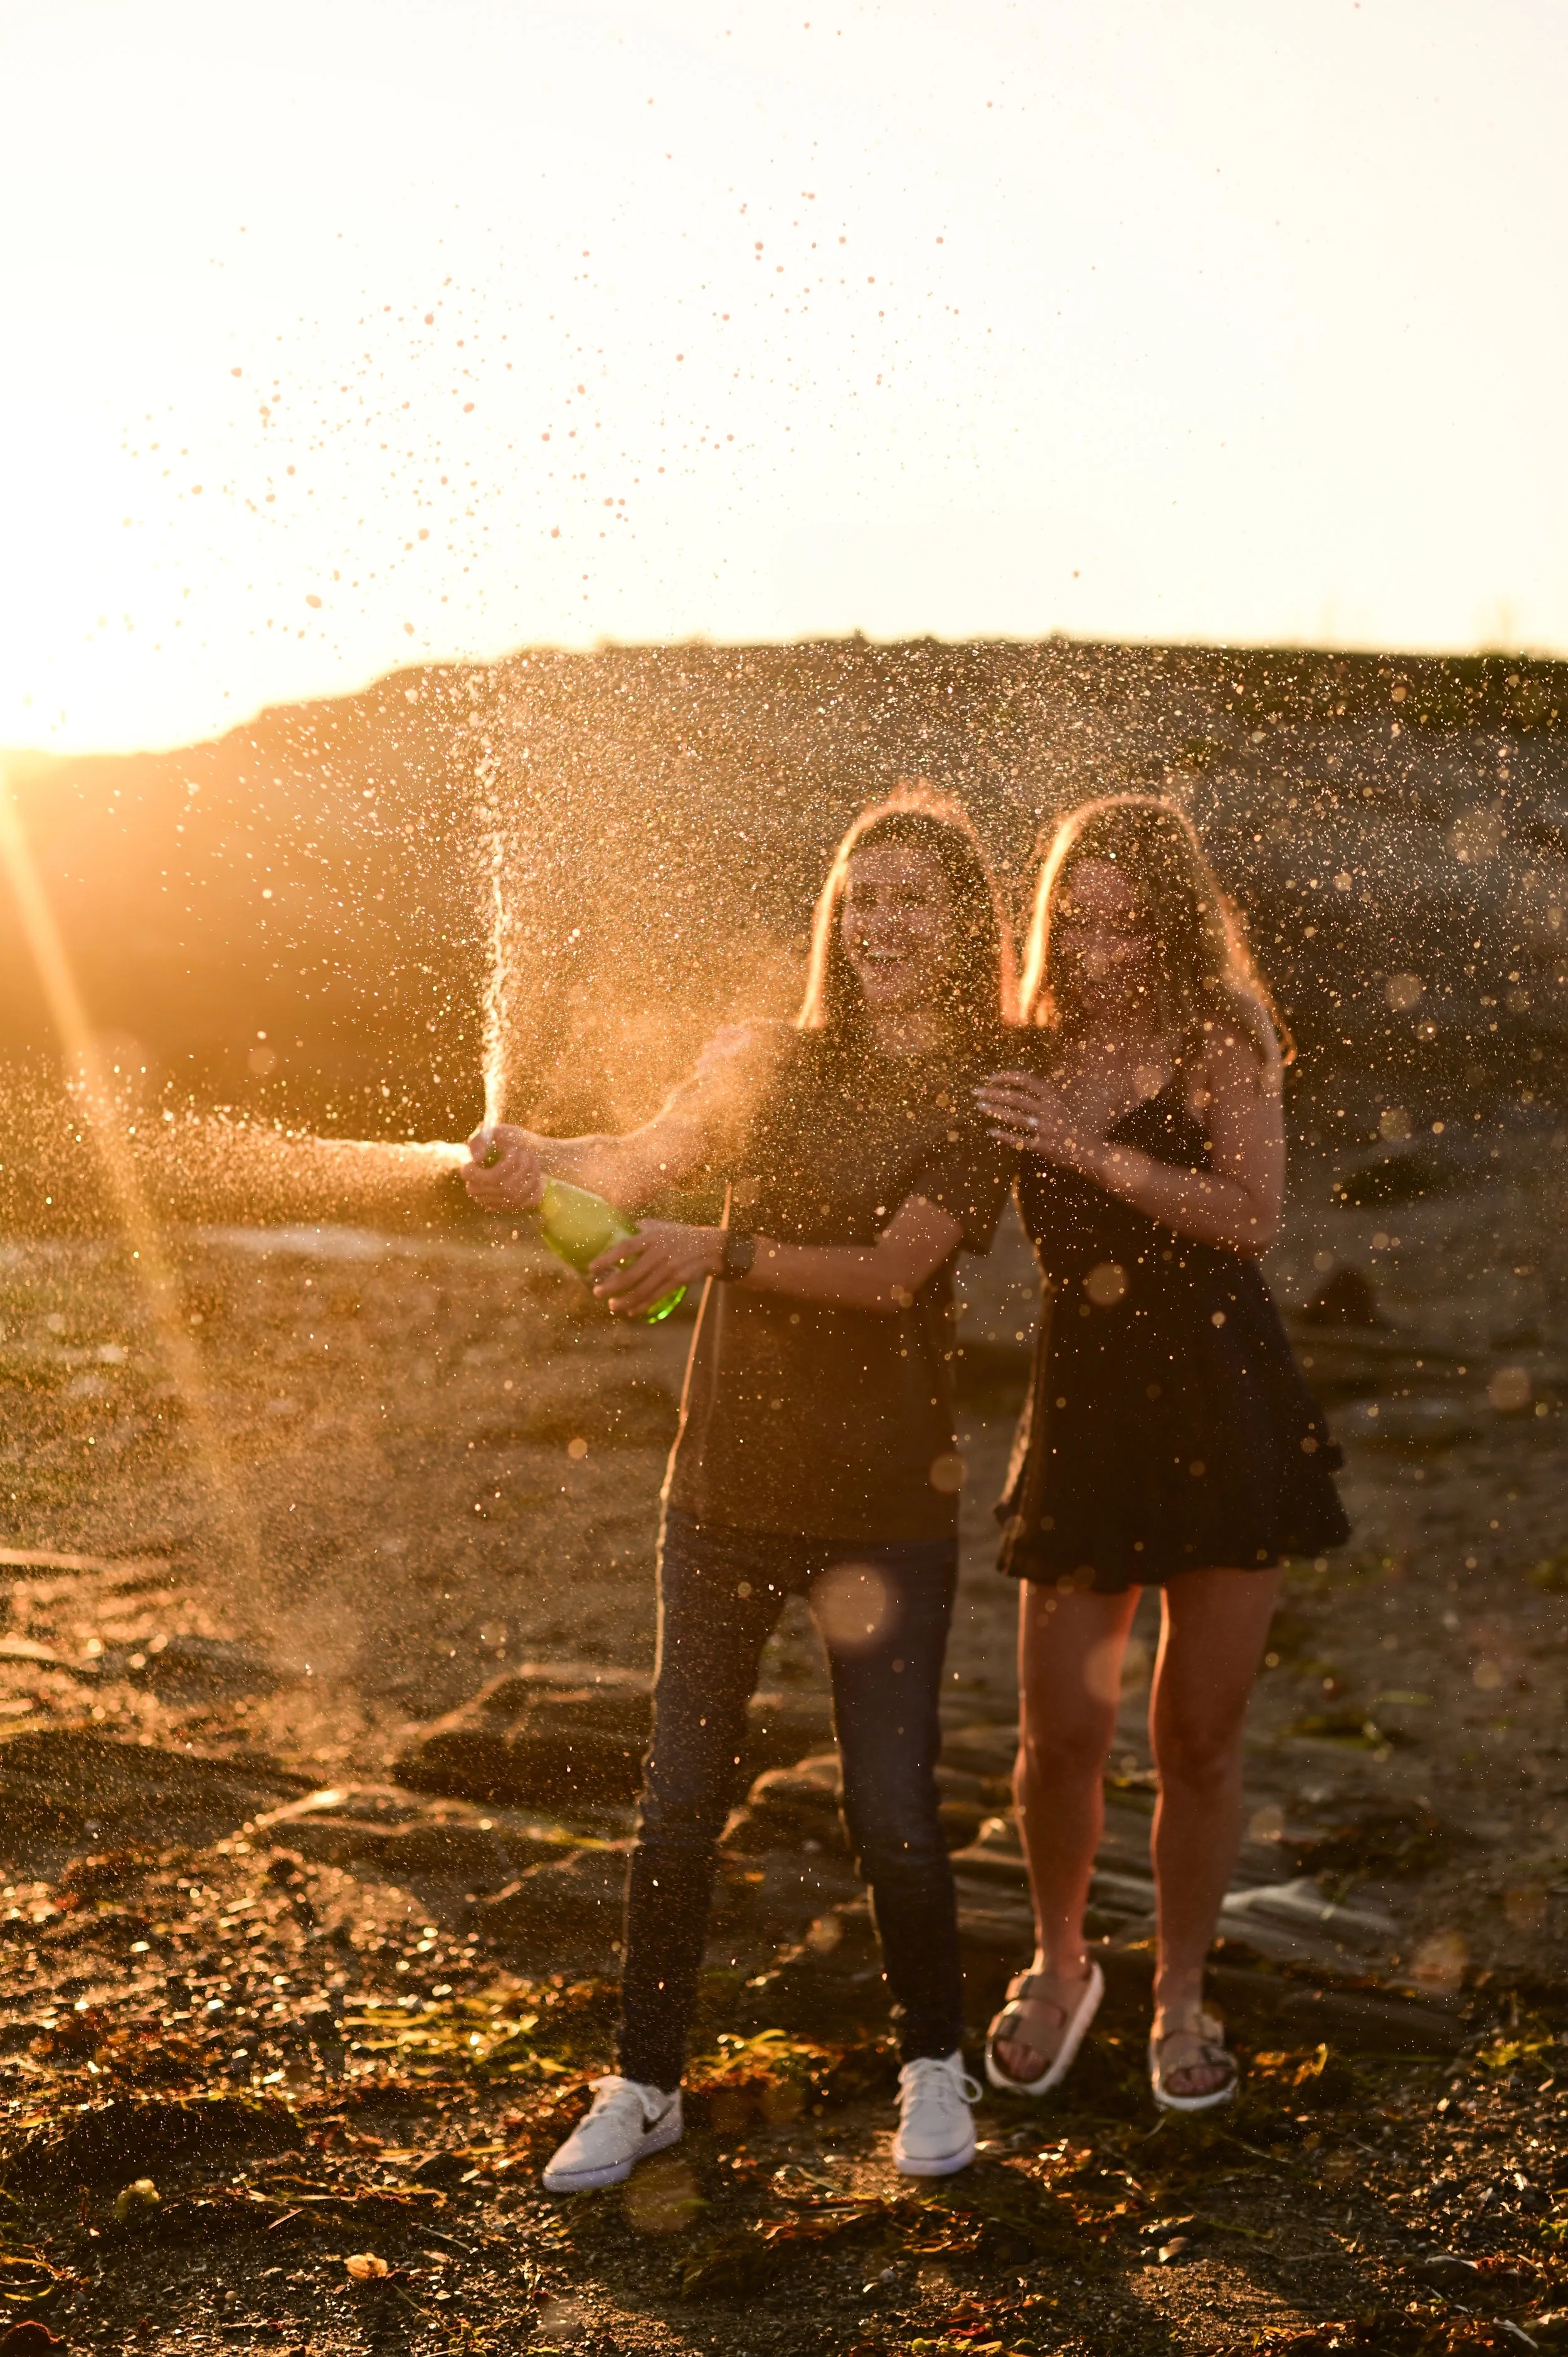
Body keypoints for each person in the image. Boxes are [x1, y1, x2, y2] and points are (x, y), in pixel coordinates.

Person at [465, 789, 1016, 2188]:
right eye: (861, 897)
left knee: (890, 1813)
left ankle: (930, 2065)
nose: (881, 924)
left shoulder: (982, 1096)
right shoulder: (764, 1057)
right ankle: (644, 2082)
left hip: (886, 1506)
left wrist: (714, 1253)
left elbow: (892, 1274)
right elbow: (640, 1162)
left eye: (912, 901)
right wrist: (533, 1162)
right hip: (719, 1491)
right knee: (675, 1807)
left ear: (962, 927)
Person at [972, 794, 1348, 2113]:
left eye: (1125, 926)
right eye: (1073, 922)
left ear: (1173, 924)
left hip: (1221, 1408)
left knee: (1194, 1738)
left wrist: (1084, 1149)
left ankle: (1178, 1991)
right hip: (1081, 1414)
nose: (1095, 949)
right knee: (1056, 1734)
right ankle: (1060, 1961)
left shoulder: (1217, 1033)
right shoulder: (1017, 1047)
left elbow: (1249, 1216)